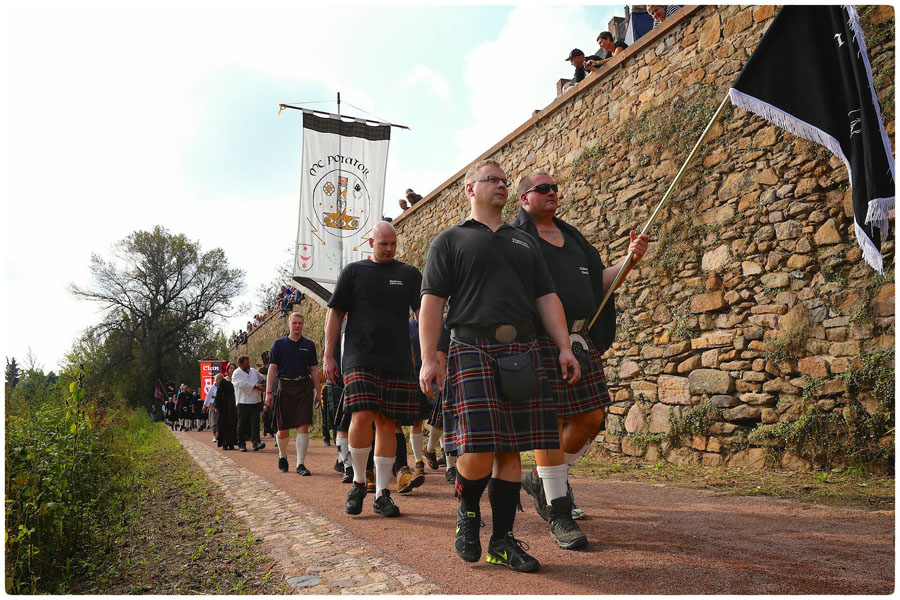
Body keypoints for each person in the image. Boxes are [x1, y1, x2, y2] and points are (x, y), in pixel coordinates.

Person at [418, 159, 581, 573]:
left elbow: (547, 297)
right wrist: (428, 358)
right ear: (470, 188)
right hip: (471, 346)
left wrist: (565, 348)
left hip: (523, 350)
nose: (502, 186)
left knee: (512, 450)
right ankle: (468, 510)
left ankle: (502, 540)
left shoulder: (523, 241)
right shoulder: (450, 240)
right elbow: (432, 303)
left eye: (506, 182)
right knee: (478, 447)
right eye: (493, 180)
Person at [510, 170, 649, 549]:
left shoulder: (573, 238)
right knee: (548, 422)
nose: (552, 192)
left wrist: (629, 261)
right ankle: (558, 511)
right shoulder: (516, 239)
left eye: (555, 187)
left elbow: (599, 285)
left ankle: (543, 478)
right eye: (543, 189)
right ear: (524, 199)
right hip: (537, 338)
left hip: (578, 338)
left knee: (591, 418)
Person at [323, 220, 423, 519]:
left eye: (393, 244)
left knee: (387, 422)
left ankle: (381, 494)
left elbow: (422, 314)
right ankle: (357, 482)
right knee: (362, 414)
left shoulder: (408, 274)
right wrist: (329, 355)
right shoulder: (354, 272)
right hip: (359, 355)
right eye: (383, 244)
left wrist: (430, 353)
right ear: (371, 243)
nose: (390, 249)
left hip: (396, 358)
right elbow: (336, 313)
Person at [265, 313, 322, 475]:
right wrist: (269, 392)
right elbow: (272, 369)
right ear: (289, 324)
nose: (297, 326)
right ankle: (282, 455)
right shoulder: (278, 344)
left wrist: (318, 392)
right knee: (282, 429)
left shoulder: (309, 345)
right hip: (285, 385)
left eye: (300, 323)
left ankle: (300, 464)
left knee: (303, 425)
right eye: (295, 323)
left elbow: (314, 370)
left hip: (304, 386)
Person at [233, 356, 266, 452]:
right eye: (246, 364)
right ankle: (241, 444)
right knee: (242, 423)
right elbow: (241, 384)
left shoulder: (253, 371)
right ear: (240, 364)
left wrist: (264, 383)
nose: (248, 365)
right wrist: (255, 387)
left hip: (255, 401)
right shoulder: (237, 373)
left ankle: (256, 442)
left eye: (248, 363)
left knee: (255, 423)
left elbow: (261, 378)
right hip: (243, 401)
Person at [214, 367, 238, 450]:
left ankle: (231, 443)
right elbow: (218, 394)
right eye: (231, 368)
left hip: (234, 405)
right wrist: (216, 406)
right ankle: (224, 443)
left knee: (233, 424)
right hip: (224, 405)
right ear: (227, 370)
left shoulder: (237, 380)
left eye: (234, 368)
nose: (232, 370)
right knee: (224, 423)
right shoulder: (223, 381)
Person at [204, 374, 219, 443]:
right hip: (213, 404)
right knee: (214, 420)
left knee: (220, 420)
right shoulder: (212, 387)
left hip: (221, 404)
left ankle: (219, 435)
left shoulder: (223, 386)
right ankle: (214, 435)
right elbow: (208, 395)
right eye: (218, 378)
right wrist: (205, 405)